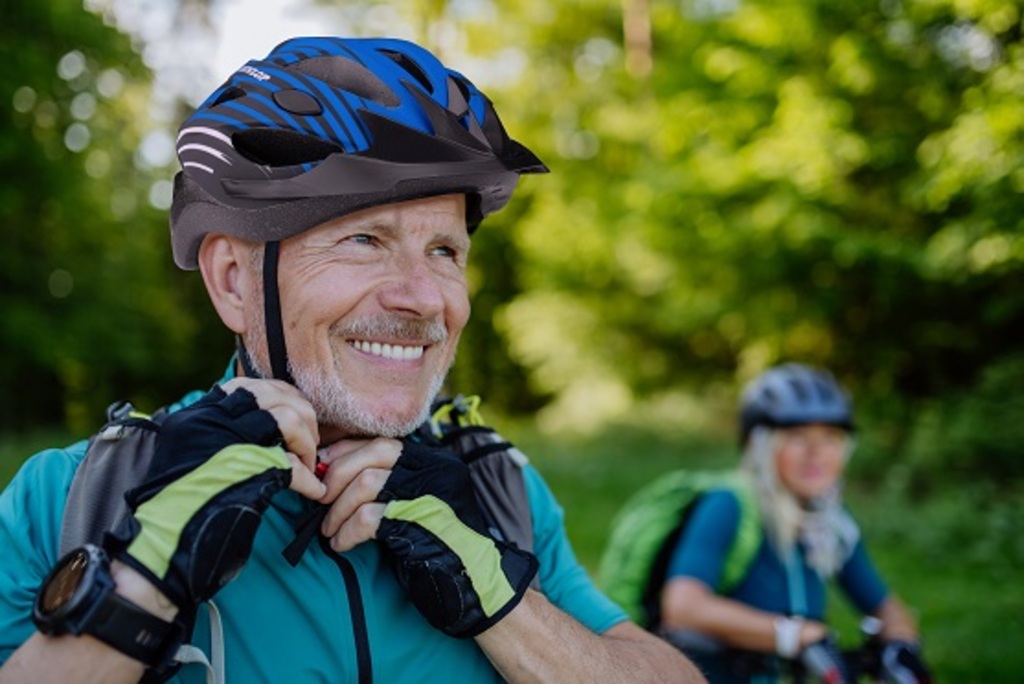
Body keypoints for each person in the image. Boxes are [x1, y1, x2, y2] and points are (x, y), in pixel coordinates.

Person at [0, 36, 704, 683]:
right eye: (365, 239)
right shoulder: (74, 497)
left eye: (444, 251)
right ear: (235, 282)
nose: (424, 298)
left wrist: (502, 597)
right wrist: (139, 576)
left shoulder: (496, 492)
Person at [657, 363, 932, 682]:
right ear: (757, 445)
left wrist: (900, 643)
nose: (816, 452)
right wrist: (795, 635)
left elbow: (886, 607)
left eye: (830, 436)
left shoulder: (829, 522)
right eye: (796, 436)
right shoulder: (729, 504)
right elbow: (682, 607)